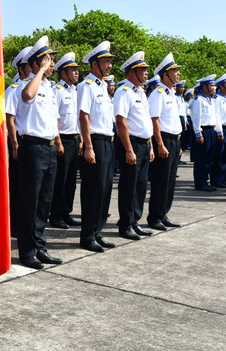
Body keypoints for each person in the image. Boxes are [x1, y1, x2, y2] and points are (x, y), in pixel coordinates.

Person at [12, 36, 63, 269]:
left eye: (51, 61)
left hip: (49, 148)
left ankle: (40, 246)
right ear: (35, 64)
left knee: (44, 202)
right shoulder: (25, 85)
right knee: (29, 202)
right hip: (31, 148)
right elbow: (28, 97)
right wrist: (40, 71)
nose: (51, 64)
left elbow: (53, 120)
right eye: (47, 60)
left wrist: (59, 141)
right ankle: (27, 250)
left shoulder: (50, 89)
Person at [77, 41, 117, 253]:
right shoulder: (87, 86)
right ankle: (87, 235)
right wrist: (89, 147)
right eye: (106, 62)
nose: (110, 66)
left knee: (105, 190)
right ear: (95, 64)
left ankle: (98, 232)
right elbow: (84, 117)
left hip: (108, 142)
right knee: (93, 190)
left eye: (110, 61)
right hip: (96, 142)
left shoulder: (103, 87)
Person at [113, 52, 154, 240]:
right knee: (129, 185)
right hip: (132, 144)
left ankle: (135, 221)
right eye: (142, 70)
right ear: (132, 72)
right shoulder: (124, 92)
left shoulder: (140, 92)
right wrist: (129, 149)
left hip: (144, 144)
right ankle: (125, 223)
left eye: (146, 70)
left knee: (140, 186)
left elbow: (146, 122)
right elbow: (121, 121)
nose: (146, 73)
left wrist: (151, 146)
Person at [146, 53, 183, 231]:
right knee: (161, 180)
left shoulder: (171, 94)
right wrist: (160, 144)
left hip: (174, 140)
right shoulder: (158, 94)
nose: (178, 74)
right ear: (165, 75)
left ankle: (163, 213)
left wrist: (179, 143)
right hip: (164, 140)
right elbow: (155, 120)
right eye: (175, 71)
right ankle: (154, 217)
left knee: (170, 181)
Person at [49, 52, 82, 229]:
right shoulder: (58, 91)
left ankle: (66, 212)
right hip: (62, 140)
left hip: (75, 139)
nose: (76, 73)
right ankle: (56, 215)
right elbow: (54, 118)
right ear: (63, 73)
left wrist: (82, 139)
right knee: (59, 180)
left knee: (70, 180)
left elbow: (77, 118)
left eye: (77, 70)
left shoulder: (75, 91)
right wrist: (58, 141)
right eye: (72, 70)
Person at [5, 46, 32, 236]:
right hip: (16, 141)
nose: (32, 69)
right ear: (21, 69)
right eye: (28, 66)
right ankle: (12, 223)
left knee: (28, 188)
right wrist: (14, 145)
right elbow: (10, 119)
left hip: (30, 143)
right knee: (15, 185)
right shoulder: (13, 89)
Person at [189, 75, 218, 191]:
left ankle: (205, 181)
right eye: (211, 85)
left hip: (211, 130)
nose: (213, 88)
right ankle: (200, 182)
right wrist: (198, 134)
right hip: (203, 130)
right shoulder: (198, 100)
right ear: (204, 86)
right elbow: (196, 118)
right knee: (202, 158)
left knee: (209, 158)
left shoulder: (210, 99)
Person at [210, 74, 226, 189]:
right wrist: (220, 133)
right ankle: (216, 179)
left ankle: (223, 178)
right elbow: (217, 117)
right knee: (219, 156)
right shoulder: (217, 99)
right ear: (222, 86)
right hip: (220, 130)